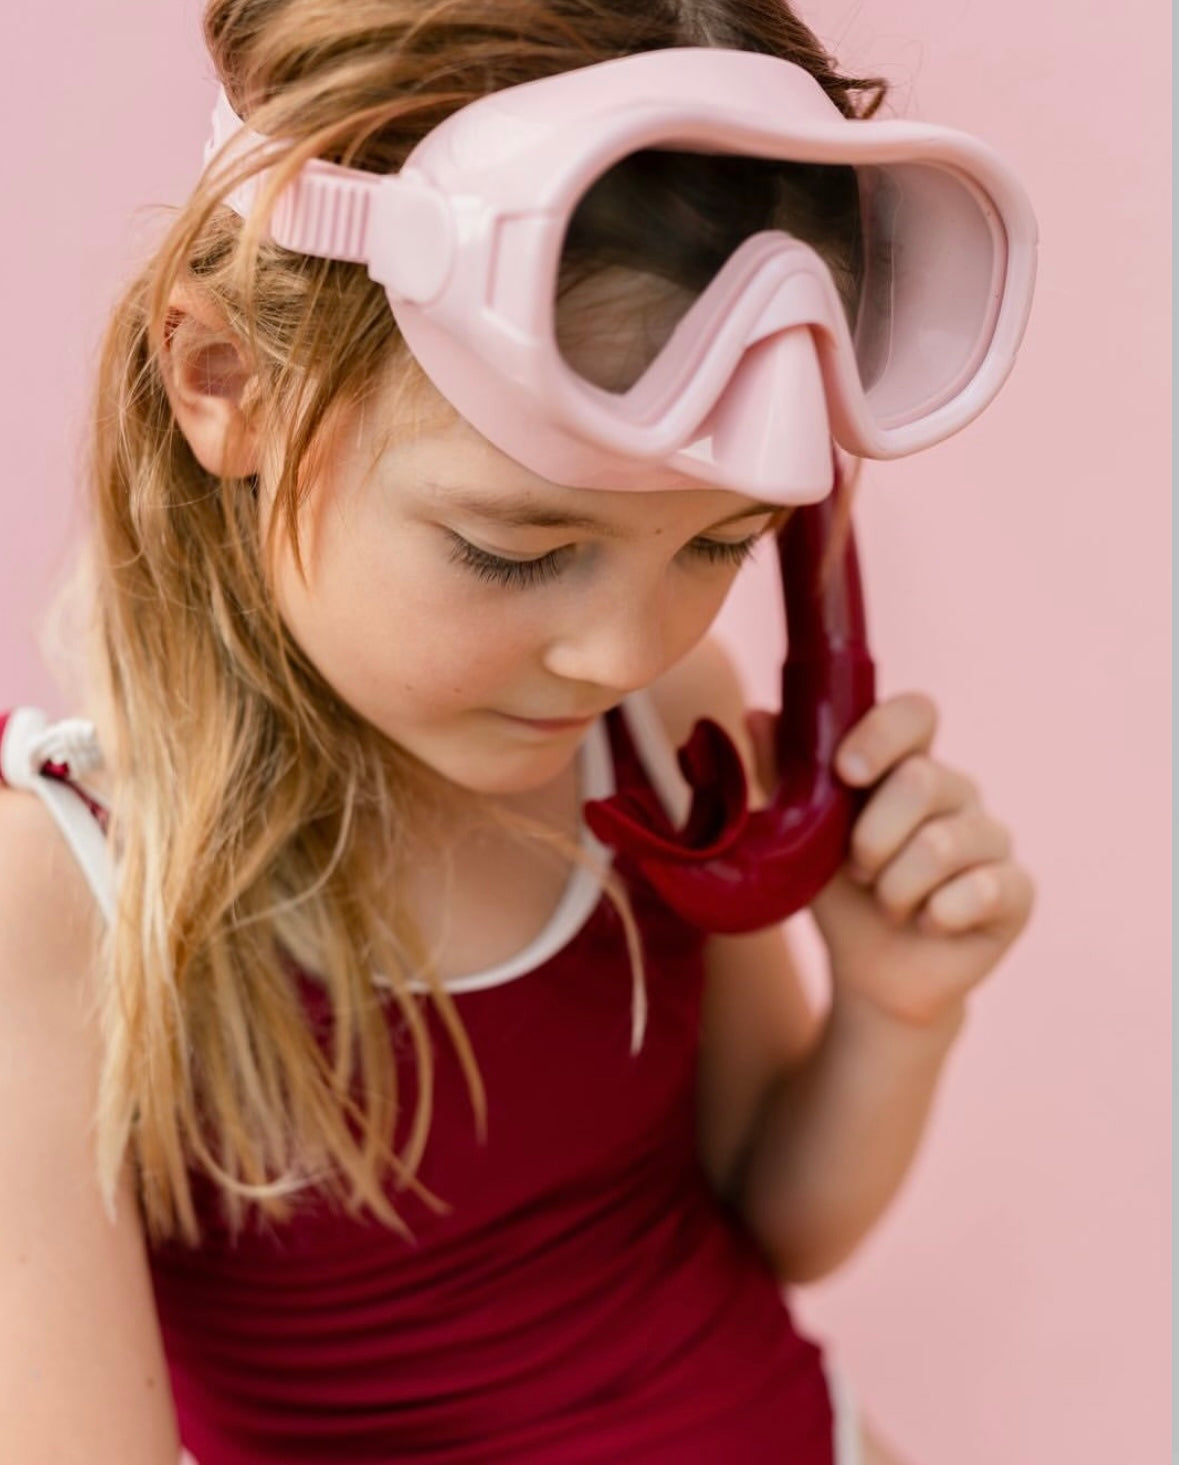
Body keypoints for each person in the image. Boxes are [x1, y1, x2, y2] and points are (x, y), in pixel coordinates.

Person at [0, 2, 1036, 1462]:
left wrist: (897, 1010)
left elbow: (773, 1217)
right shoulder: (61, 904)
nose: (619, 649)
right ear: (223, 382)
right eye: (511, 549)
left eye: (718, 546)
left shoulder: (650, 725)